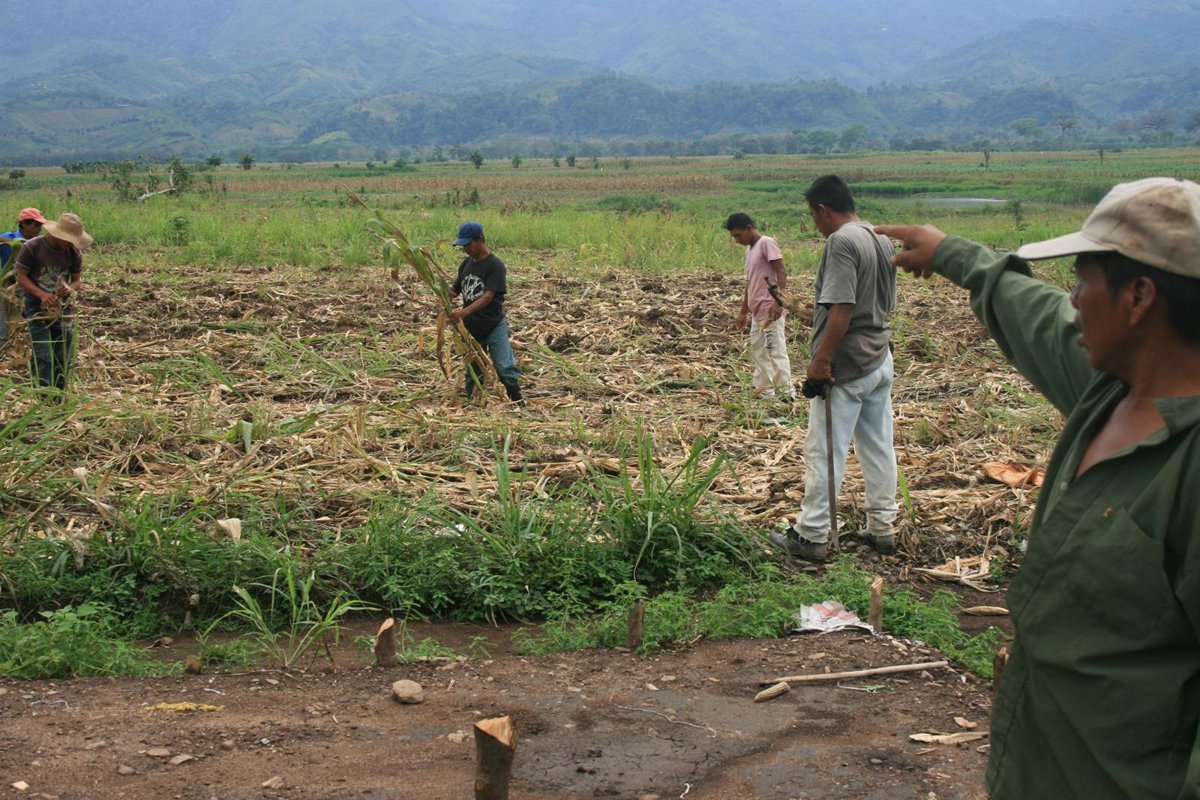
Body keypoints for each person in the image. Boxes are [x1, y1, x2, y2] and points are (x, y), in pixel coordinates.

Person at [876, 177, 1200, 800]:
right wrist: (950, 253)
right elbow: (1036, 314)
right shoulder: (1111, 389)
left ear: (1139, 297)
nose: (1070, 301)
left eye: (1082, 282)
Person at [768, 175, 899, 561]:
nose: (815, 225)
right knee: (878, 446)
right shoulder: (879, 237)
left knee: (824, 450)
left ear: (824, 210)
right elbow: (876, 302)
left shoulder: (841, 241)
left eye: (813, 216)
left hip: (847, 364)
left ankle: (811, 535)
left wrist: (821, 360)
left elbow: (843, 307)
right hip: (879, 356)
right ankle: (883, 527)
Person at [448, 221, 523, 404]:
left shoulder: (494, 265)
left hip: (493, 325)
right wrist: (443, 292)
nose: (465, 249)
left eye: (468, 244)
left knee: (504, 367)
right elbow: (456, 289)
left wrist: (464, 312)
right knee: (473, 370)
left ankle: (517, 402)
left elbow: (489, 296)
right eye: (463, 245)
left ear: (480, 239)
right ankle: (473, 404)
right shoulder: (466, 264)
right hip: (471, 327)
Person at [14, 212, 91, 389]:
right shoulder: (32, 247)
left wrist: (69, 288)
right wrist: (42, 294)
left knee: (63, 351)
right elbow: (21, 277)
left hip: (62, 306)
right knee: (43, 352)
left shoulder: (73, 252)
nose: (71, 244)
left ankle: (59, 392)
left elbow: (77, 280)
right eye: (69, 240)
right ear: (58, 235)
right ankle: (43, 392)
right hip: (36, 306)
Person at [725, 212, 794, 401]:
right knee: (759, 351)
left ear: (749, 228)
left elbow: (781, 272)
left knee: (775, 351)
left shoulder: (766, 243)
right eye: (734, 237)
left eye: (738, 235)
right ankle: (764, 392)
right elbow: (751, 283)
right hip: (757, 311)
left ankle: (786, 395)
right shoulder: (749, 251)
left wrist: (778, 302)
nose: (737, 240)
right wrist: (743, 312)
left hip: (770, 310)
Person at [0, 208, 46, 349]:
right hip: (8, 284)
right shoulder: (9, 238)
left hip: (29, 284)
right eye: (36, 225)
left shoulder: (39, 243)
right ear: (24, 224)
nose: (39, 229)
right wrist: (11, 242)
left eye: (40, 225)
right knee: (4, 317)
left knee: (36, 316)